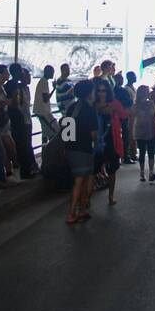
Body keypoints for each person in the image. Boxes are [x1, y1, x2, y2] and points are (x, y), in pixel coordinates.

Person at [63, 80, 98, 224]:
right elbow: (94, 134)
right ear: (89, 93)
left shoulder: (71, 108)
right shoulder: (89, 110)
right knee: (81, 181)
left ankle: (82, 210)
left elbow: (66, 131)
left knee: (80, 180)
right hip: (84, 149)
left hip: (71, 148)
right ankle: (72, 213)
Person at [92, 81, 124, 207]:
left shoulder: (114, 104)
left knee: (112, 170)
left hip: (112, 140)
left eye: (104, 90)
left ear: (108, 91)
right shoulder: (93, 105)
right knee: (92, 171)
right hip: (96, 141)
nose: (101, 93)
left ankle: (111, 196)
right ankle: (86, 198)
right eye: (99, 91)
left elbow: (124, 114)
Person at [4, 62, 36, 179]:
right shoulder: (16, 87)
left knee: (23, 144)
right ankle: (26, 170)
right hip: (20, 119)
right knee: (23, 144)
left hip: (17, 119)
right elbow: (17, 104)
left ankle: (26, 168)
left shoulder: (11, 86)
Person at [132, 85, 155, 183]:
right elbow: (154, 114)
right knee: (144, 151)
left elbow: (154, 115)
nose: (149, 93)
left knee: (147, 151)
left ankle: (148, 172)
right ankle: (144, 172)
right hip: (144, 129)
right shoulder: (144, 104)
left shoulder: (148, 103)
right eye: (147, 91)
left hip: (145, 129)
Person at [0, 65, 16, 172]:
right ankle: (8, 170)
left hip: (6, 120)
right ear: (1, 74)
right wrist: (6, 102)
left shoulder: (2, 87)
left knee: (8, 147)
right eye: (6, 72)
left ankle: (9, 170)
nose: (8, 74)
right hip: (1, 122)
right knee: (7, 146)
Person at [34, 65, 58, 144]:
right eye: (52, 72)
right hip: (43, 112)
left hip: (40, 111)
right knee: (54, 131)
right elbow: (46, 98)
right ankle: (50, 150)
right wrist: (54, 88)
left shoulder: (42, 81)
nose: (53, 74)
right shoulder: (44, 82)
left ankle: (44, 151)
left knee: (45, 132)